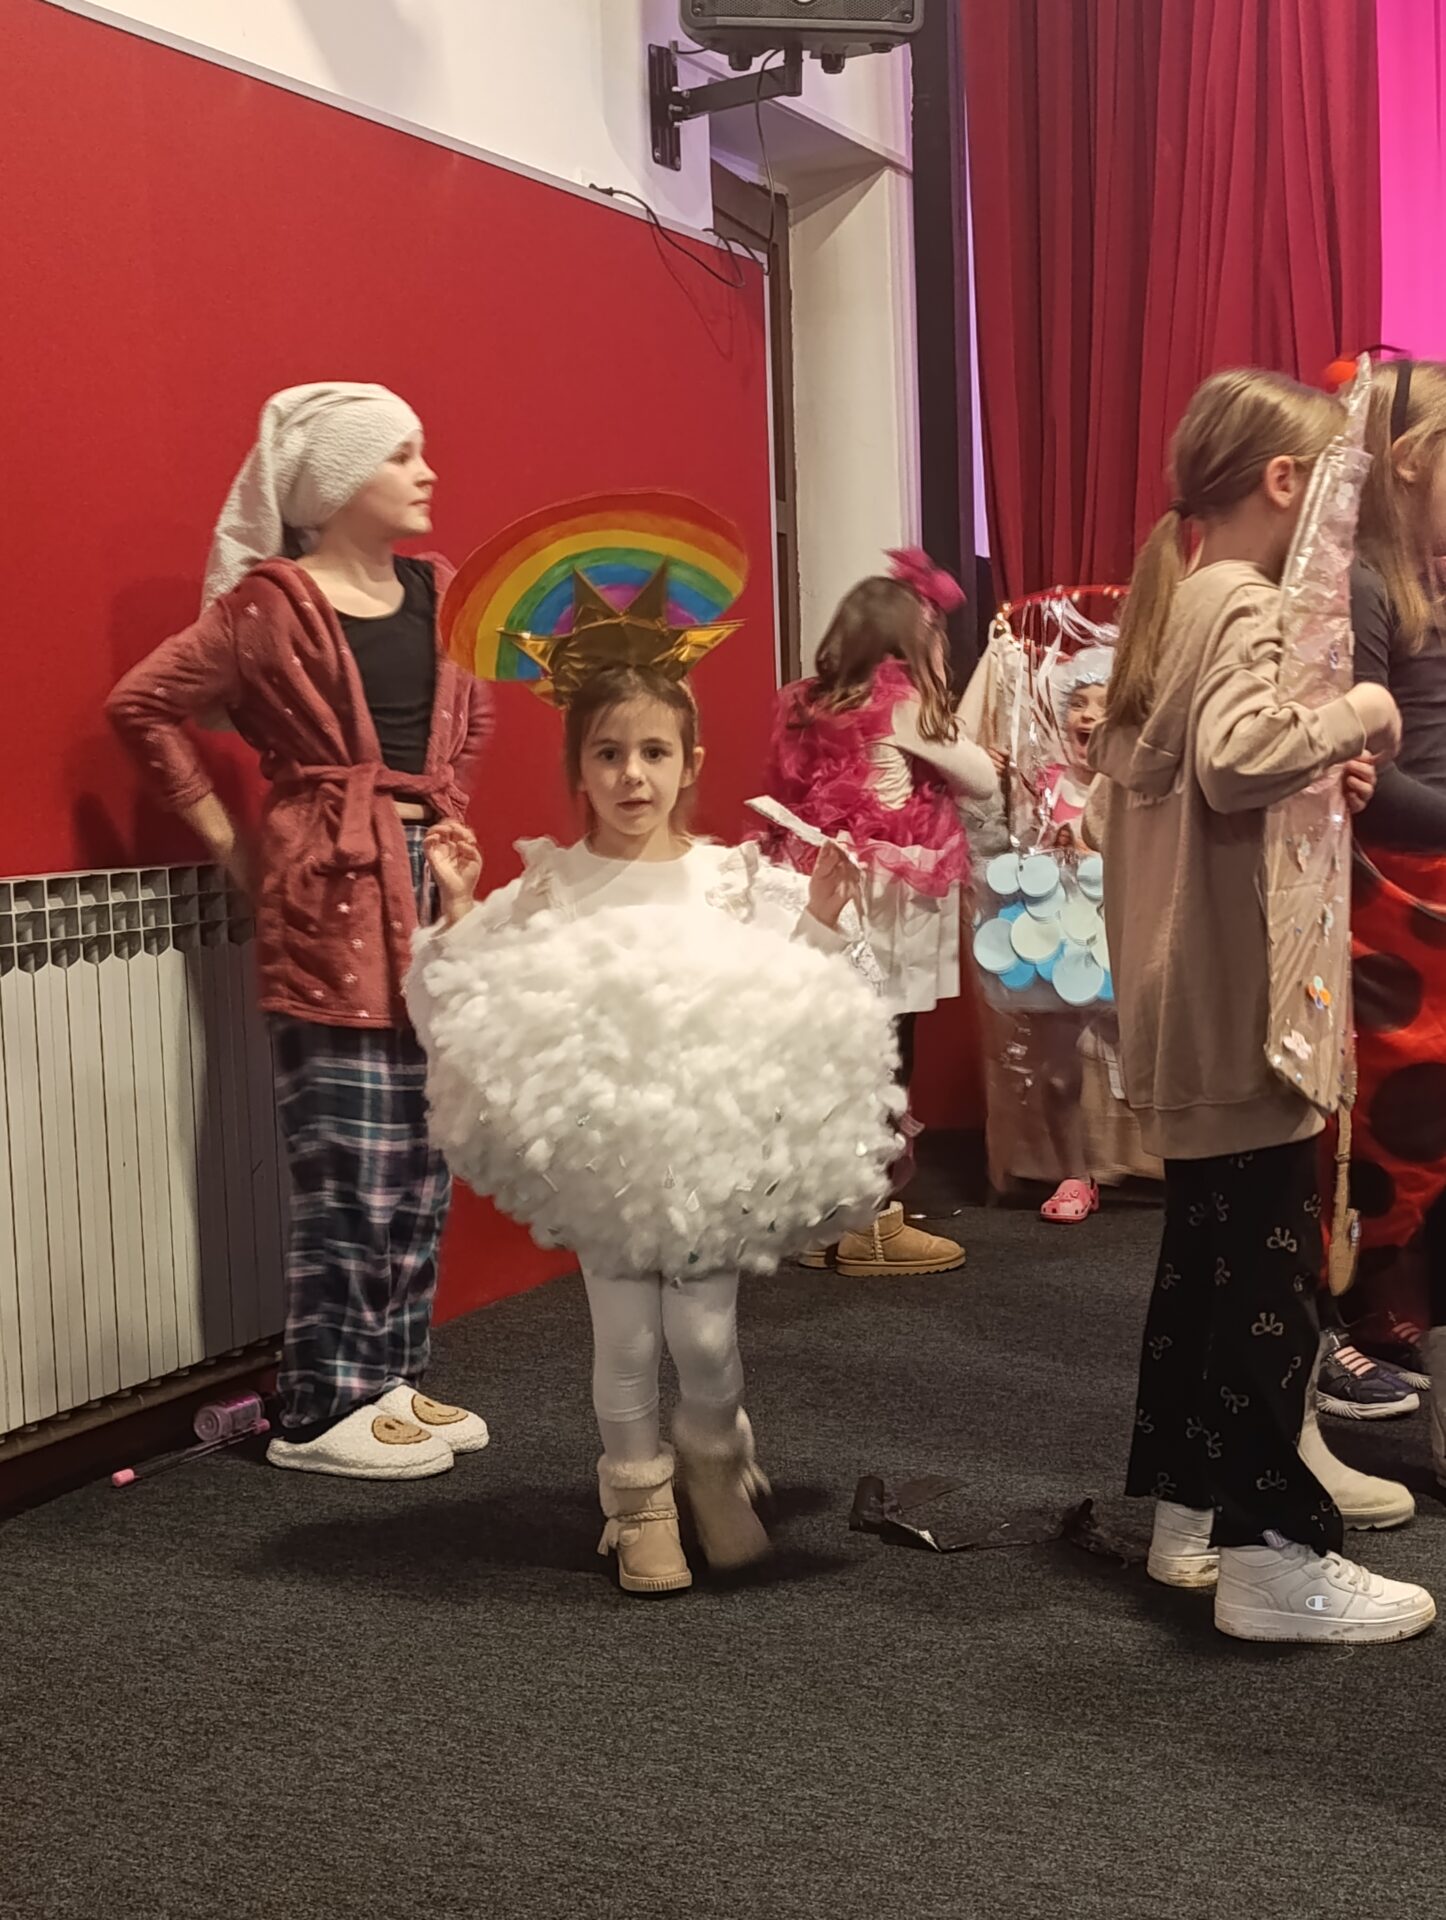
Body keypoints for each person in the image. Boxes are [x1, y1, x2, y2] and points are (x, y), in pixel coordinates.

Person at [407, 640, 896, 1596]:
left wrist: (822, 918)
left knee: (706, 1342)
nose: (632, 774)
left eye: (654, 752)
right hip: (605, 1162)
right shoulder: (552, 885)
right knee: (626, 1341)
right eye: (608, 753)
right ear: (579, 770)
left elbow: (805, 1001)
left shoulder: (732, 882)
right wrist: (460, 910)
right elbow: (471, 1001)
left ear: (690, 762)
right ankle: (638, 1502)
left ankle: (715, 1457)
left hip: (712, 1158)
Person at [1086, 366, 1434, 1644]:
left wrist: (1318, 763)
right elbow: (1236, 762)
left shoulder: (1184, 597)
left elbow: (1188, 779)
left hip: (1195, 1007)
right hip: (1240, 1016)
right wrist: (1358, 713)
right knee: (1264, 1291)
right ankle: (1270, 1558)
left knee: (1210, 1272)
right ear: (1287, 482)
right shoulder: (1241, 601)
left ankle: (1192, 1525)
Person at [107, 383, 492, 1481]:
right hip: (326, 891)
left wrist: (446, 819)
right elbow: (142, 704)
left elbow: (471, 714)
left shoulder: (444, 591)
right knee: (347, 1157)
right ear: (335, 482)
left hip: (433, 886)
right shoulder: (268, 607)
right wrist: (234, 848)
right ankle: (323, 1405)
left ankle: (392, 1377)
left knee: (424, 1152)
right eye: (401, 456)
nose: (426, 472)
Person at [760, 551, 998, 1276]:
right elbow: (983, 779)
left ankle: (821, 1217)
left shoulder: (808, 705)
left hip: (831, 895)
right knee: (888, 1053)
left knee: (837, 1055)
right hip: (892, 905)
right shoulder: (905, 704)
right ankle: (870, 1221)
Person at [1342, 357, 1446, 1468]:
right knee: (1403, 1147)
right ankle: (1371, 1342)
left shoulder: (1422, 576)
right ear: (1412, 461)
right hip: (1405, 906)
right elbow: (1369, 785)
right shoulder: (1367, 586)